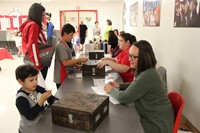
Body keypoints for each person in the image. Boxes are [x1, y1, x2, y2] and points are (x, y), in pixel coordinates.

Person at [104, 40, 174, 133]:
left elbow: (123, 98)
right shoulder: (148, 71)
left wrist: (110, 90)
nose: (129, 59)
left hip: (157, 125)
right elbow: (137, 84)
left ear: (144, 58)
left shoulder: (148, 75)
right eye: (129, 55)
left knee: (123, 126)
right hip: (154, 117)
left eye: (133, 57)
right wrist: (119, 85)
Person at [15, 64, 58, 133]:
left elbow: (50, 98)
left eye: (36, 78)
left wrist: (55, 101)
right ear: (21, 81)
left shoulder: (37, 88)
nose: (35, 82)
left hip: (40, 124)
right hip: (29, 130)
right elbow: (30, 115)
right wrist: (41, 100)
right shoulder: (21, 99)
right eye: (31, 80)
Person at [54, 23, 88, 89]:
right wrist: (79, 60)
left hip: (66, 74)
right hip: (62, 77)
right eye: (71, 35)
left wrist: (77, 65)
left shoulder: (65, 44)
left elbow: (69, 59)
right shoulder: (61, 46)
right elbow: (65, 62)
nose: (72, 37)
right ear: (65, 34)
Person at [20, 3, 48, 80]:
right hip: (36, 61)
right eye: (42, 15)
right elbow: (32, 46)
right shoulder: (33, 25)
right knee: (37, 86)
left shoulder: (29, 24)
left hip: (31, 60)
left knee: (34, 86)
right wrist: (37, 65)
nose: (44, 17)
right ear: (36, 15)